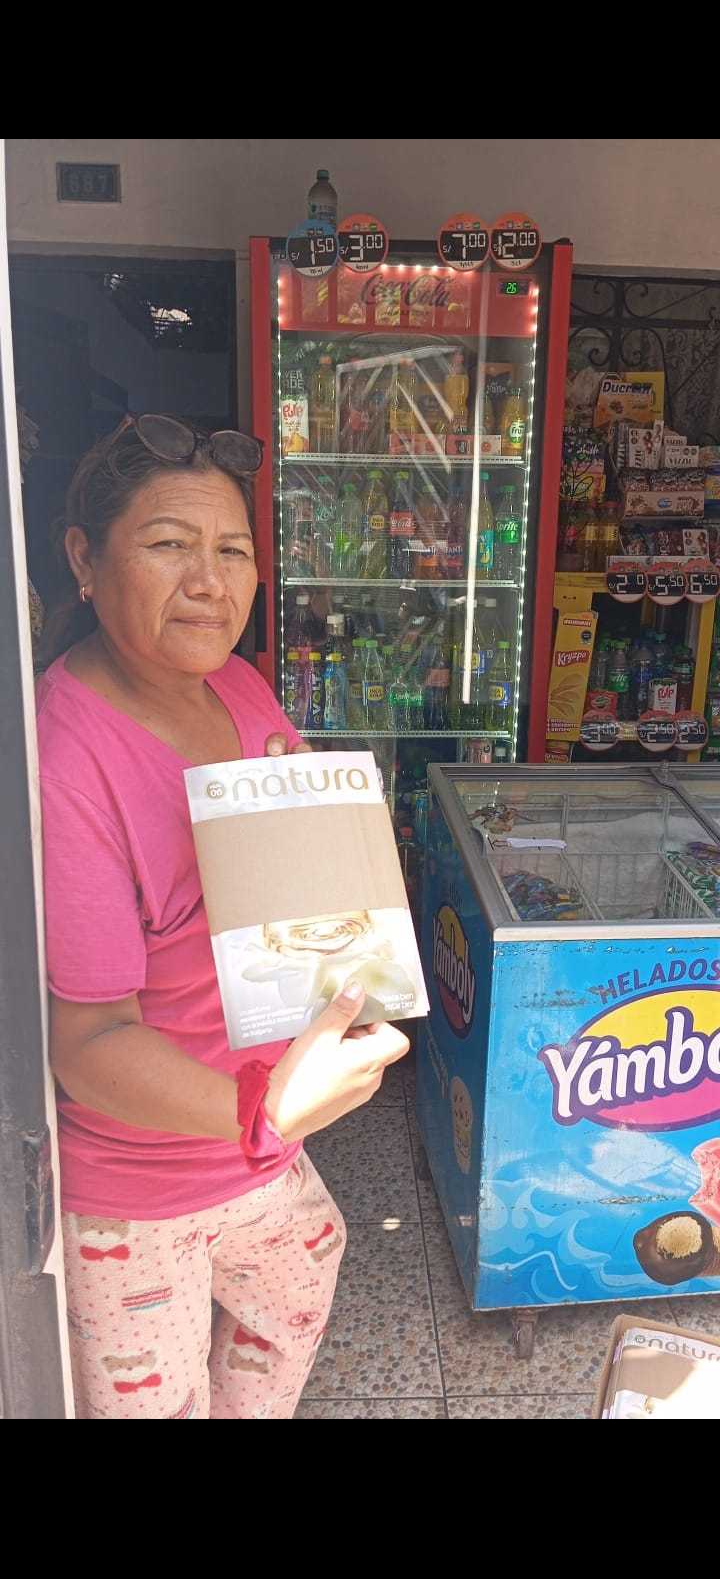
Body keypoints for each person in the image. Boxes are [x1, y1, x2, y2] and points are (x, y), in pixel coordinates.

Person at [36, 414, 409, 1420]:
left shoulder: (237, 685)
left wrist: (340, 845)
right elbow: (88, 1041)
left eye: (233, 551)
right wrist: (266, 1112)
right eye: (170, 544)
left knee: (298, 1296)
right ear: (84, 560)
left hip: (258, 1146)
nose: (210, 582)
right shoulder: (64, 762)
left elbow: (289, 885)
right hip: (141, 1189)